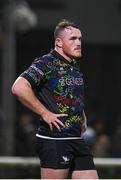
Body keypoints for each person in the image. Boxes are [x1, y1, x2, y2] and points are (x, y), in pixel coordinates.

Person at [12, 19, 99, 179]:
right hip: (54, 140)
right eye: (73, 39)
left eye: (80, 38)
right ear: (58, 42)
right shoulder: (46, 63)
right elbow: (19, 87)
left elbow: (69, 94)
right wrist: (44, 112)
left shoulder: (73, 64)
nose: (78, 42)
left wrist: (82, 114)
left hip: (76, 138)